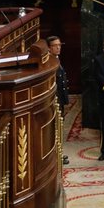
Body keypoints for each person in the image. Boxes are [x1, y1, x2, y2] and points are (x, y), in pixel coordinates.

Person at [47, 36, 70, 165]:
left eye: (59, 45)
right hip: (54, 101)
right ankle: (56, 155)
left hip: (60, 100)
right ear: (49, 48)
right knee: (54, 129)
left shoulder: (56, 59)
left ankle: (59, 152)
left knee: (59, 128)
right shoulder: (49, 62)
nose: (58, 47)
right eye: (55, 45)